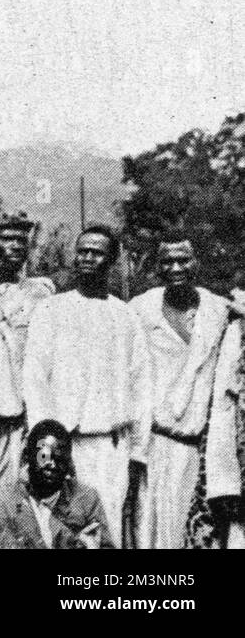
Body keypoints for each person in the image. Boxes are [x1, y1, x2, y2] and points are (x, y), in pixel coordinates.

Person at [23, 225, 152, 543]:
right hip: (61, 444)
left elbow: (141, 386)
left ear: (111, 261)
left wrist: (137, 452)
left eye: (97, 253)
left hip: (109, 448)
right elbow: (35, 378)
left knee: (103, 532)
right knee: (53, 531)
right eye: (82, 251)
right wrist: (47, 443)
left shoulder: (125, 316)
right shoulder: (51, 309)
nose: (87, 258)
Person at [128, 234, 241, 548]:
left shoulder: (218, 309)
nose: (176, 267)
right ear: (158, 268)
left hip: (198, 449)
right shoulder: (140, 309)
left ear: (196, 263)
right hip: (153, 444)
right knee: (146, 534)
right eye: (167, 261)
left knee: (192, 536)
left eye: (183, 260)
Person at [0, 211, 56, 492]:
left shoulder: (41, 293)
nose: (14, 246)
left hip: (23, 408)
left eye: (21, 240)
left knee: (17, 485)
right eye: (6, 238)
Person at [0, 419, 114, 548]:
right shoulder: (1, 506)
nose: (52, 465)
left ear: (69, 464)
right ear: (26, 456)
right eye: (44, 457)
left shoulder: (87, 499)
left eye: (60, 460)